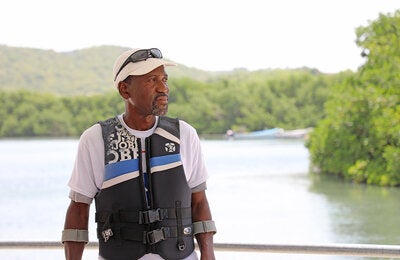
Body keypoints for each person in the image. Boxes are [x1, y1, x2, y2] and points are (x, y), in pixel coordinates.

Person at [62, 48, 216, 260]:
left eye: (164, 79)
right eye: (152, 80)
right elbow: (78, 211)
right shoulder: (95, 139)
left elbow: (199, 202)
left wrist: (209, 256)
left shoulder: (184, 135)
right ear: (125, 90)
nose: (163, 88)